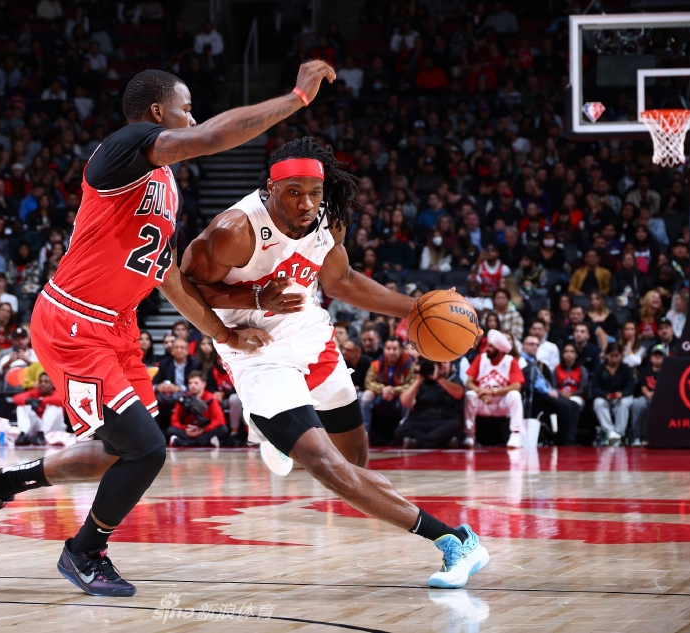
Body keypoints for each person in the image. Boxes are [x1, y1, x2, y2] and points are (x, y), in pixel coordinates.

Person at [0, 62, 338, 597]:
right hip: (75, 321)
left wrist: (225, 335)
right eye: (187, 109)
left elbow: (171, 280)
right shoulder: (123, 148)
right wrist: (296, 98)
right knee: (147, 450)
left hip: (118, 327)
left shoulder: (164, 185)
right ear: (159, 112)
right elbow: (210, 139)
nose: (194, 117)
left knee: (120, 451)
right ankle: (84, 552)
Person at [181, 136, 489, 588]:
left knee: (354, 463)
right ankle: (455, 541)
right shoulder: (235, 229)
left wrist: (416, 309)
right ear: (270, 188)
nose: (306, 204)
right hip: (255, 348)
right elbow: (182, 285)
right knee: (328, 467)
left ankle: (275, 432)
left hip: (309, 332)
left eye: (314, 193)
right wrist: (252, 300)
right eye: (293, 193)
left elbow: (340, 281)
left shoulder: (329, 218)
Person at [464, 330, 525, 449]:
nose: (487, 349)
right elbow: (469, 382)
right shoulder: (480, 358)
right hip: (484, 402)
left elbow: (516, 386)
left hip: (501, 404)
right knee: (470, 395)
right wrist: (481, 392)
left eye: (491, 347)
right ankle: (470, 434)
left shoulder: (511, 361)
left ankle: (516, 434)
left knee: (515, 395)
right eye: (488, 345)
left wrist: (492, 392)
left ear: (499, 349)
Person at [520, 335, 580, 446]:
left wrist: (550, 389)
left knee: (575, 406)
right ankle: (563, 441)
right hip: (534, 395)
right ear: (523, 346)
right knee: (565, 406)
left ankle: (571, 439)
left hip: (545, 392)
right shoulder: (522, 362)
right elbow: (531, 383)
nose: (534, 347)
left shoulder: (535, 362)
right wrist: (547, 391)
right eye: (531, 344)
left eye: (537, 345)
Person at [396, 359, 465, 448]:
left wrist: (438, 378)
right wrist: (418, 380)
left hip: (444, 421)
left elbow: (459, 394)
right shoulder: (422, 381)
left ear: (450, 365)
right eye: (438, 364)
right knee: (400, 431)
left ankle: (418, 442)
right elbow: (404, 402)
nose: (441, 366)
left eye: (444, 363)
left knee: (455, 425)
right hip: (422, 421)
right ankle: (443, 441)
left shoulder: (453, 379)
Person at [363, 337, 414, 446]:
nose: (391, 352)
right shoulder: (376, 364)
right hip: (381, 394)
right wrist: (382, 389)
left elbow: (411, 384)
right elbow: (368, 382)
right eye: (388, 348)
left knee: (409, 397)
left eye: (394, 349)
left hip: (400, 396)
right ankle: (365, 433)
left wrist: (393, 391)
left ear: (400, 350)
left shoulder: (409, 364)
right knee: (365, 396)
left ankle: (404, 430)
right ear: (384, 349)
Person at [165, 371, 229, 447]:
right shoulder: (183, 398)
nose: (193, 386)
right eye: (190, 383)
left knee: (223, 429)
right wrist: (185, 429)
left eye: (196, 383)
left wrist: (203, 430)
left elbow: (220, 420)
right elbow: (174, 419)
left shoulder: (211, 398)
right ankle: (207, 442)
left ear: (203, 384)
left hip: (204, 429)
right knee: (171, 430)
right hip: (188, 429)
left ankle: (183, 442)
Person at [592, 343, 635, 446]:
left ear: (621, 356)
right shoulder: (600, 368)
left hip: (622, 396)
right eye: (612, 356)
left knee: (624, 403)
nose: (614, 359)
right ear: (607, 355)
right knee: (598, 403)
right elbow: (595, 387)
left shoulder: (626, 368)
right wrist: (605, 395)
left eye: (617, 356)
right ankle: (610, 432)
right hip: (605, 396)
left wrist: (622, 393)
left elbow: (631, 387)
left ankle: (619, 433)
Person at [629, 343, 664, 447]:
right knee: (637, 405)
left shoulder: (667, 371)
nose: (657, 358)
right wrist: (648, 394)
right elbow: (643, 386)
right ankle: (636, 436)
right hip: (646, 395)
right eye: (655, 356)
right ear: (651, 357)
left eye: (660, 356)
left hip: (662, 397)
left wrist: (656, 395)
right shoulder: (645, 370)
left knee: (651, 405)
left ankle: (650, 435)